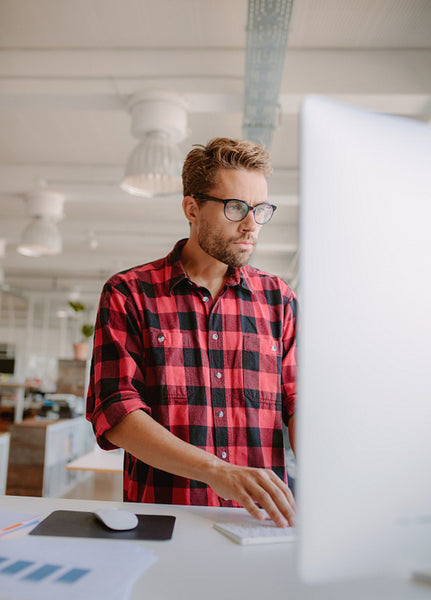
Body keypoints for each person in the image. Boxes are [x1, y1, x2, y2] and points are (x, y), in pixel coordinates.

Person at [86, 137, 297, 527]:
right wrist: (219, 472)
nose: (251, 224)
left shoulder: (278, 299)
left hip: (261, 525)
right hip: (163, 518)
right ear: (192, 208)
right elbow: (116, 411)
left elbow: (299, 402)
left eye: (261, 209)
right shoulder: (129, 293)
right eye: (236, 208)